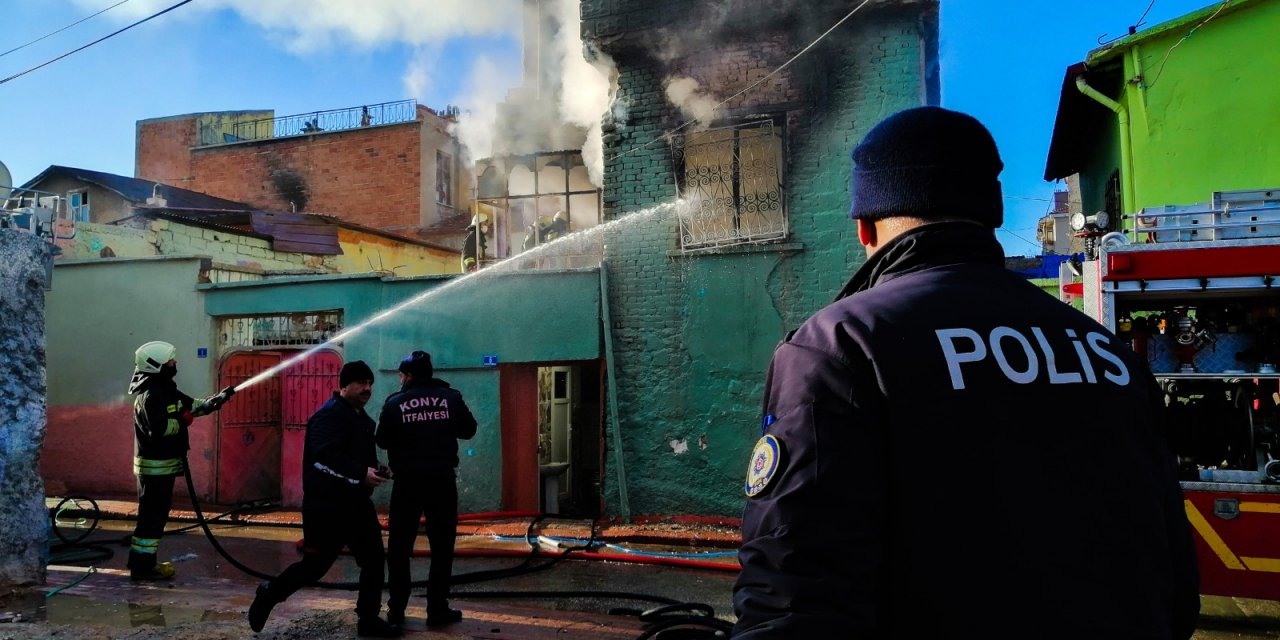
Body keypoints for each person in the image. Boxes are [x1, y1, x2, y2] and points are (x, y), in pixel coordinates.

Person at [732, 107, 1199, 639]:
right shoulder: (1105, 351)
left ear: (865, 227)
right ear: (991, 214)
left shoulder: (838, 347)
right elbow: (1175, 577)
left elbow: (793, 594)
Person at [248, 361, 401, 638]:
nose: (367, 388)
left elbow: (357, 459)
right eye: (360, 383)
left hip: (356, 504)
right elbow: (323, 458)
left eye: (369, 383)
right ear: (344, 386)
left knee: (374, 559)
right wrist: (359, 474)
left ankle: (368, 619)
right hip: (327, 507)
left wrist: (376, 469)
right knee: (315, 566)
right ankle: (269, 593)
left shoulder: (362, 420)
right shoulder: (328, 417)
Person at [377, 350, 477, 628]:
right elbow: (469, 430)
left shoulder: (395, 402)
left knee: (399, 549)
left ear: (408, 376)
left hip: (407, 484)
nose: (399, 380)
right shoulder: (452, 398)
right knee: (442, 548)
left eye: (401, 375)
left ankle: (396, 610)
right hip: (441, 482)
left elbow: (382, 439)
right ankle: (437, 609)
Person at [127, 341, 234, 580]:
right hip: (154, 469)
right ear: (156, 366)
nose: (175, 364)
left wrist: (213, 402)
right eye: (170, 362)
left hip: (164, 467)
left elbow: (189, 405)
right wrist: (183, 420)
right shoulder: (149, 395)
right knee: (151, 518)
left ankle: (143, 563)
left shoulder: (165, 388)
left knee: (156, 516)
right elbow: (159, 428)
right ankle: (143, 567)